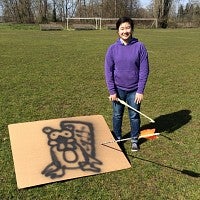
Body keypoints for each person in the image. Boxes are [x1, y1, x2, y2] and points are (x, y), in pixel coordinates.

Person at [104, 17, 149, 151]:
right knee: (117, 115)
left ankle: (134, 139)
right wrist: (112, 91)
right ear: (118, 31)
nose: (125, 31)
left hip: (134, 90)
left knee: (134, 116)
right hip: (118, 90)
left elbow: (144, 70)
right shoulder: (112, 49)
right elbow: (108, 71)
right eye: (122, 28)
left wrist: (140, 90)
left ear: (132, 29)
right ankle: (118, 138)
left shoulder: (140, 47)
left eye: (127, 28)